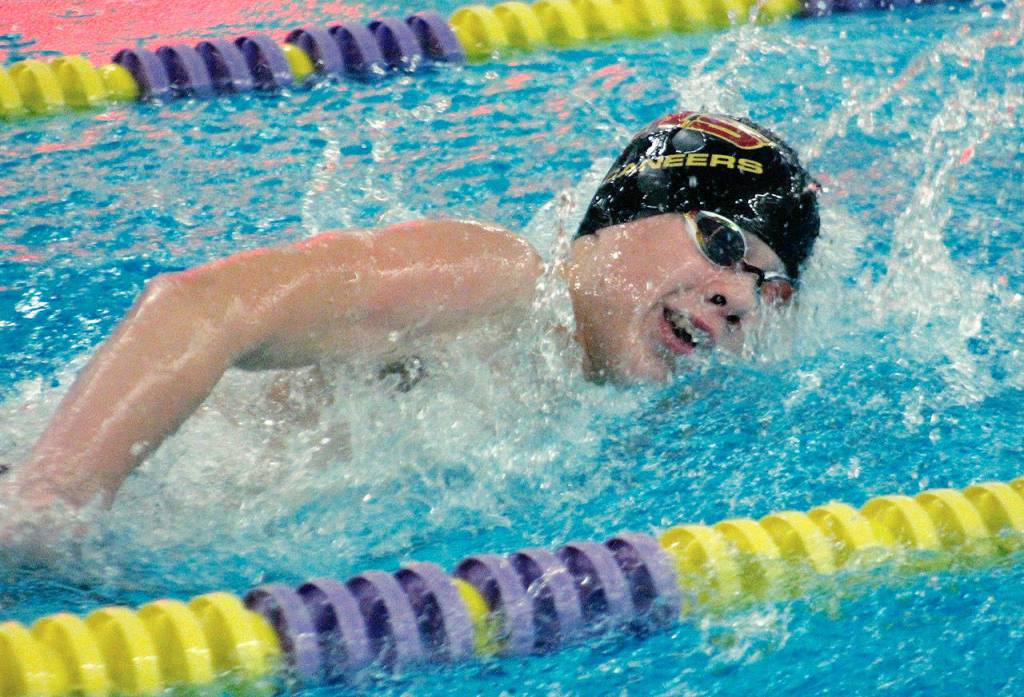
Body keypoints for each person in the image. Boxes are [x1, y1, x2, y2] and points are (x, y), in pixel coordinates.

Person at [8, 111, 820, 514]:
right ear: (615, 216)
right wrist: (47, 502)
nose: (739, 298)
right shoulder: (496, 282)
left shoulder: (599, 403)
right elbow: (200, 306)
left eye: (770, 287)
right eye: (719, 242)